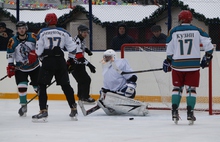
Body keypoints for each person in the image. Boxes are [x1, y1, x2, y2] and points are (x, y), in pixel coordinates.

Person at [163, 10, 214, 125]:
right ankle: (190, 112)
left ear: (180, 19)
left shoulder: (173, 31)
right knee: (191, 89)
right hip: (193, 66)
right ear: (191, 19)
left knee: (177, 88)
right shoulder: (197, 30)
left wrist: (168, 60)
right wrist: (208, 57)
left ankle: (174, 110)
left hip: (177, 66)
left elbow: (169, 49)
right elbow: (209, 45)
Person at [32, 13, 78, 121]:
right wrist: (70, 60)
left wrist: (42, 57)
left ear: (46, 21)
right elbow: (73, 49)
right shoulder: (64, 32)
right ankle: (73, 107)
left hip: (48, 61)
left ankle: (43, 110)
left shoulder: (42, 32)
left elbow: (38, 51)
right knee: (66, 85)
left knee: (42, 85)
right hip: (60, 61)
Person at [95, 49, 148, 116]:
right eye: (105, 57)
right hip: (112, 92)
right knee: (102, 93)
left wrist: (130, 87)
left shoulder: (120, 63)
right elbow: (107, 81)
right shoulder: (105, 66)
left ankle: (136, 107)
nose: (107, 58)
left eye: (109, 57)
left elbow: (133, 78)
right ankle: (111, 105)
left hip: (121, 90)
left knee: (129, 90)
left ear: (114, 56)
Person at [6, 21, 40, 117]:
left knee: (38, 87)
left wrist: (35, 53)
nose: (21, 30)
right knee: (22, 86)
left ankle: (43, 106)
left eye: (23, 28)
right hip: (21, 68)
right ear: (17, 30)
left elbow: (40, 47)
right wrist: (11, 65)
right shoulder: (12, 40)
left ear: (26, 29)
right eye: (19, 28)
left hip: (35, 66)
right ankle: (23, 105)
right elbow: (10, 53)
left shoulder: (33, 36)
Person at [66, 24, 96, 104]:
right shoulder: (77, 41)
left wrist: (87, 50)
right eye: (84, 32)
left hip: (79, 64)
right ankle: (85, 97)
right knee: (86, 80)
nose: (86, 34)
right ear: (80, 32)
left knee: (81, 81)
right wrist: (89, 65)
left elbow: (82, 47)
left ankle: (81, 96)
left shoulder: (81, 39)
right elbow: (79, 56)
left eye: (86, 32)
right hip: (75, 64)